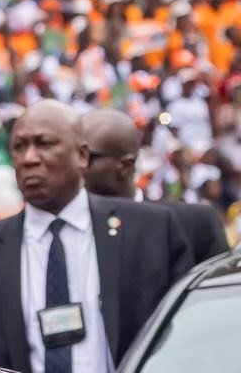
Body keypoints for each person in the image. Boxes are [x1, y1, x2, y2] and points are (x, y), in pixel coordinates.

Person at [0, 102, 194, 373]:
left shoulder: (151, 231)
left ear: (82, 155)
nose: (29, 158)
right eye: (19, 147)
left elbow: (188, 339)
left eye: (44, 143)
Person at [80, 108, 230, 265]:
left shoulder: (193, 224)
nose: (76, 163)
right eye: (73, 154)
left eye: (86, 156)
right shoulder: (68, 230)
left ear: (124, 165)